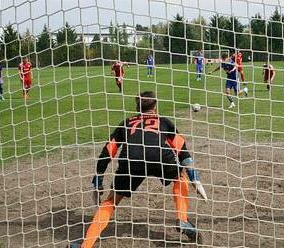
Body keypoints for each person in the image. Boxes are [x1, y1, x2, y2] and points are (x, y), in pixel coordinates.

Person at [80, 91, 202, 248]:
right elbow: (182, 150)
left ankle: (86, 245)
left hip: (132, 160)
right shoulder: (163, 121)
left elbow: (108, 151)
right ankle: (182, 219)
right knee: (180, 175)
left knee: (111, 200)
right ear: (155, 106)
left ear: (137, 107)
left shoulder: (126, 123)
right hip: (160, 156)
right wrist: (194, 177)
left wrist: (98, 180)